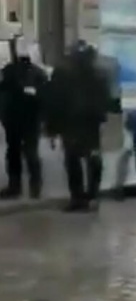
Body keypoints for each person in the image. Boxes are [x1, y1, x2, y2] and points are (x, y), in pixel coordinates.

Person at [45, 41, 110, 212]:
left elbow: (53, 101)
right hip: (88, 123)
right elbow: (106, 99)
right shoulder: (99, 73)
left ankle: (79, 198)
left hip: (72, 123)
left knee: (74, 161)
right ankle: (91, 196)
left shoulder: (62, 73)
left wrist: (52, 128)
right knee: (91, 159)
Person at [0, 36, 48, 199]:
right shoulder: (39, 73)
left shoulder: (8, 70)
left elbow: (3, 94)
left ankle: (16, 186)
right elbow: (44, 97)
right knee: (30, 152)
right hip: (30, 119)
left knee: (14, 152)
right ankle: (35, 186)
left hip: (14, 118)